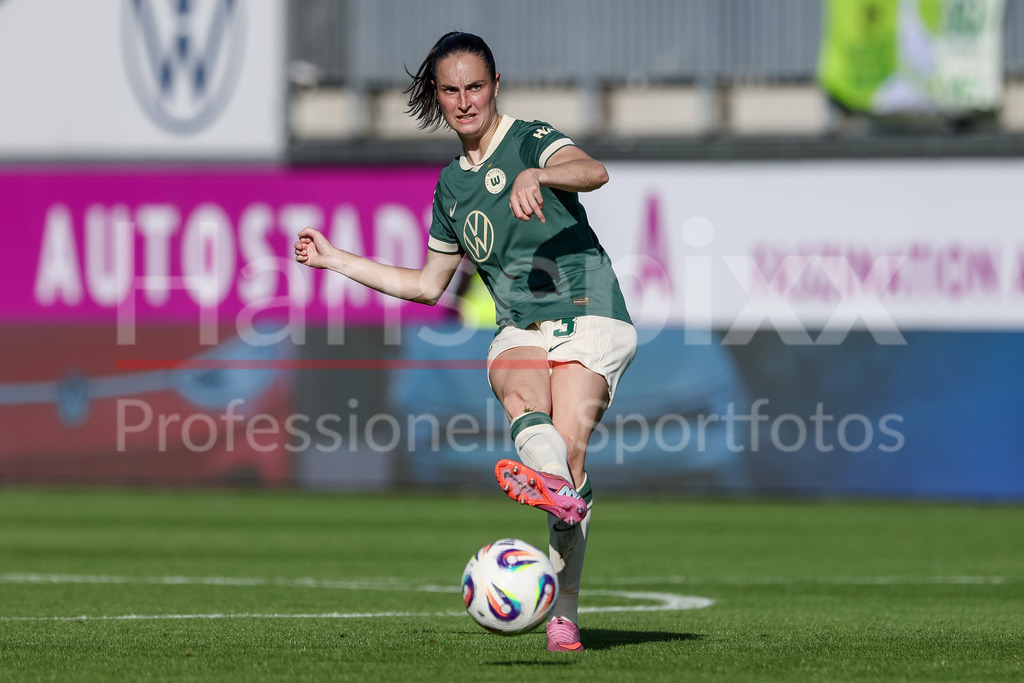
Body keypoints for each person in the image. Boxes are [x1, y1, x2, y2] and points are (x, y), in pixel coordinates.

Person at [294, 31, 636, 652]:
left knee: (569, 453)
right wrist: (337, 260)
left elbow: (595, 171)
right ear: (438, 96)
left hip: (591, 311)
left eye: (475, 86)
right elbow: (428, 286)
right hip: (518, 326)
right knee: (519, 394)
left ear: (495, 86)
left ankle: (564, 608)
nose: (464, 100)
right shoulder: (452, 187)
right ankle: (556, 492)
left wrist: (541, 173)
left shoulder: (530, 138)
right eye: (450, 90)